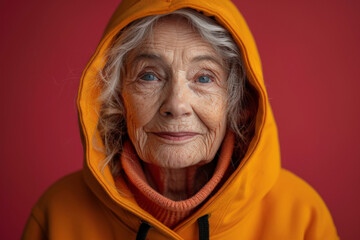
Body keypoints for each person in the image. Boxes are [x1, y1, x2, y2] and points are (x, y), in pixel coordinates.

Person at [22, 0, 339, 239]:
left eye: (204, 78)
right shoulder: (57, 214)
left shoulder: (301, 217)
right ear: (118, 98)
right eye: (149, 75)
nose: (176, 105)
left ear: (239, 102)